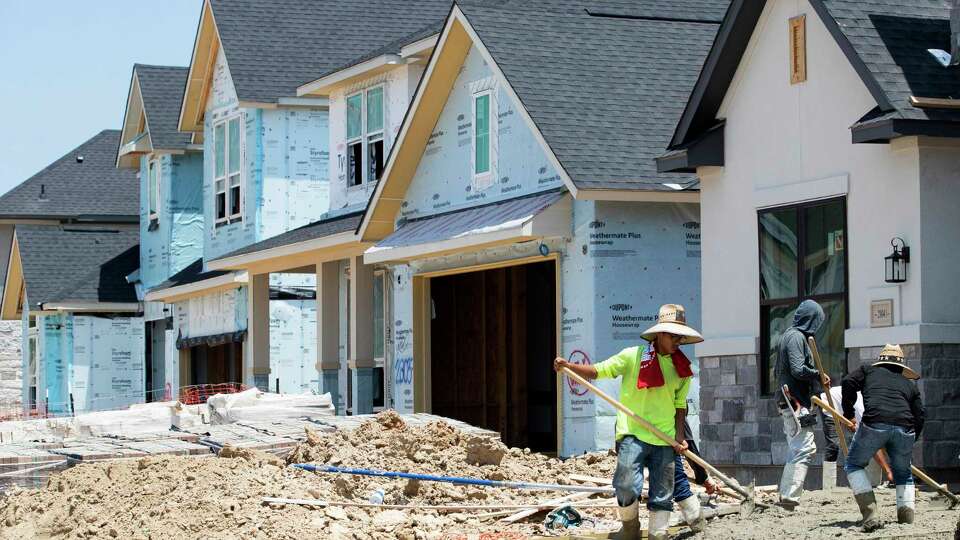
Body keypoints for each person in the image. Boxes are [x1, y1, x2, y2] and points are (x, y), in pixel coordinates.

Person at [555, 304, 702, 540]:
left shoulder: (682, 370)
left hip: (663, 438)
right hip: (632, 433)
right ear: (660, 335)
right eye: (673, 336)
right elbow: (597, 371)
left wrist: (679, 436)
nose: (678, 341)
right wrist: (569, 367)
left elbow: (679, 405)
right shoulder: (632, 357)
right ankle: (631, 529)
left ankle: (658, 533)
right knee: (625, 485)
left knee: (663, 491)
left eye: (680, 336)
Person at [842, 344, 924, 532]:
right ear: (901, 367)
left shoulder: (868, 371)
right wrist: (911, 439)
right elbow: (920, 415)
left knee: (854, 465)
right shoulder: (908, 385)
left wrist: (849, 413)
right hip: (906, 428)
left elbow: (847, 382)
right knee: (903, 473)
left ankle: (871, 514)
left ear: (881, 361)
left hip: (874, 423)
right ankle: (906, 518)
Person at [774, 299, 830, 509]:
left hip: (789, 399)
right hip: (794, 401)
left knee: (797, 447)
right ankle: (789, 497)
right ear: (812, 320)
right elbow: (798, 369)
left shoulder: (789, 336)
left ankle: (786, 494)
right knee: (805, 447)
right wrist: (818, 374)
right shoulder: (796, 337)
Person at [818, 386, 892, 488]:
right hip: (830, 402)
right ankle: (828, 487)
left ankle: (873, 484)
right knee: (833, 445)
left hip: (847, 405)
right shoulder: (865, 410)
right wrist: (888, 471)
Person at [672, 419, 715, 532]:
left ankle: (700, 531)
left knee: (679, 484)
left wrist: (703, 477)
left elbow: (687, 445)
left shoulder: (677, 410)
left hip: (666, 447)